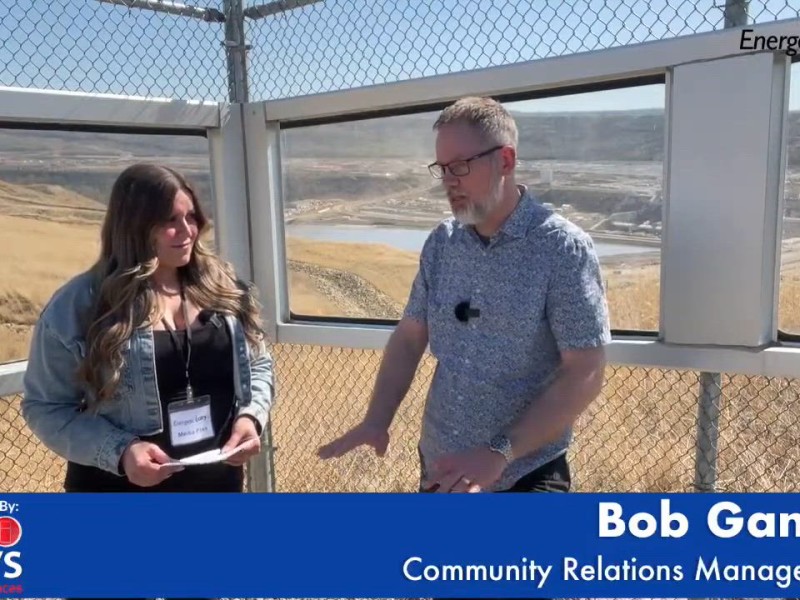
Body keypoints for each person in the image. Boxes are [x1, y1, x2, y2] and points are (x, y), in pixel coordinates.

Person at [318, 96, 610, 495]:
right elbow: (409, 336)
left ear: (505, 161)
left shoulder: (561, 249)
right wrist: (377, 419)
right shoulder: (443, 243)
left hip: (525, 475)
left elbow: (586, 372)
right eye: (442, 168)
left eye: (460, 166)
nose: (448, 181)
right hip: (443, 468)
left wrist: (498, 453)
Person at [21, 162, 275, 495]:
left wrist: (250, 417)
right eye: (170, 220)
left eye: (191, 217)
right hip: (117, 491)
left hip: (217, 485)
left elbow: (259, 364)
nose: (186, 231)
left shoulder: (223, 288)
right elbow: (46, 408)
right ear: (135, 226)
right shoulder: (81, 306)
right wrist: (122, 451)